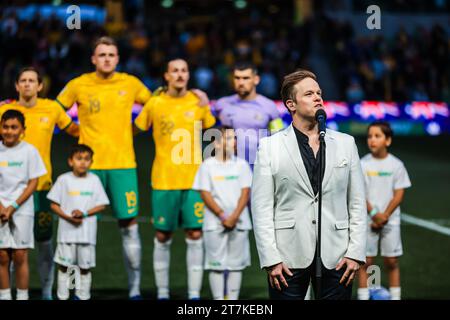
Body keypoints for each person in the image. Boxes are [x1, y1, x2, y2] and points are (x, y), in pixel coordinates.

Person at [251, 69, 367, 300]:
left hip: (338, 258)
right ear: (291, 104)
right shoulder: (269, 147)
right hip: (286, 260)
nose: (317, 98)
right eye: (309, 94)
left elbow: (357, 203)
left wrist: (355, 253)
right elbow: (261, 208)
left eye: (319, 93)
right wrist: (271, 259)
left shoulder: (346, 143)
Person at [55, 36, 151, 299]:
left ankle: (134, 290)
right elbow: (55, 108)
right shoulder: (79, 84)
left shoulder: (130, 83)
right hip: (87, 169)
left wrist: (136, 128)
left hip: (123, 165)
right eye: (102, 54)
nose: (107, 58)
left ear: (117, 58)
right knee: (78, 226)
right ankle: (77, 290)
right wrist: (73, 129)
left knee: (129, 226)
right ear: (93, 59)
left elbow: (154, 105)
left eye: (111, 54)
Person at [134, 58, 216, 300]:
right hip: (164, 180)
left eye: (183, 70)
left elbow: (212, 132)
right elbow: (135, 129)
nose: (179, 75)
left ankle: (193, 295)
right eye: (174, 71)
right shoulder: (155, 103)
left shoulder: (199, 103)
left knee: (195, 234)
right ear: (166, 76)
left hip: (194, 181)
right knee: (162, 236)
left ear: (188, 75)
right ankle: (162, 293)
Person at [0, 67, 79, 300]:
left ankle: (46, 291)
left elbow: (74, 130)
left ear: (40, 86)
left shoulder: (52, 109)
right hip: (8, 191)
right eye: (22, 81)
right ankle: (9, 293)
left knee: (44, 241)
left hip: (42, 188)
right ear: (16, 86)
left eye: (32, 81)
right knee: (8, 249)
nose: (27, 84)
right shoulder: (4, 110)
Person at [192, 126, 252, 300]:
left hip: (239, 222)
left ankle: (232, 302)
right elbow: (204, 193)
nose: (234, 142)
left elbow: (245, 193)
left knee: (235, 265)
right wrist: (222, 215)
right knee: (216, 264)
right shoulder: (207, 166)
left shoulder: (241, 164)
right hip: (214, 223)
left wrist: (234, 217)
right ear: (216, 143)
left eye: (234, 138)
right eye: (229, 138)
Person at [357, 121, 411, 301]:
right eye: (370, 136)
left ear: (387, 140)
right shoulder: (362, 164)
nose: (372, 140)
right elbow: (359, 194)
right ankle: (365, 296)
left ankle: (395, 297)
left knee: (392, 261)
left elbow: (398, 194)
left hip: (390, 220)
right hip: (368, 219)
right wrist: (374, 215)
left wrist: (385, 216)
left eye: (377, 136)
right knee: (366, 261)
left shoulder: (397, 165)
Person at [47, 144, 109, 300]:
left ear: (91, 162)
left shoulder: (94, 180)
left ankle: (82, 296)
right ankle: (63, 295)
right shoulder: (63, 180)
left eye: (87, 159)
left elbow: (101, 205)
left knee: (84, 267)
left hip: (86, 234)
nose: (83, 162)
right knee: (65, 266)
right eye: (79, 158)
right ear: (70, 161)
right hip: (66, 234)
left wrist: (84, 213)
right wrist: (68, 217)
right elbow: (54, 204)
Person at [0, 110, 47, 300]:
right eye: (5, 127)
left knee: (20, 254)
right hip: (0, 207)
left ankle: (22, 296)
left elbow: (33, 182)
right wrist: (2, 207)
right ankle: (4, 295)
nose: (9, 131)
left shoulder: (29, 151)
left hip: (22, 208)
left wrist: (13, 206)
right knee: (2, 255)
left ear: (22, 130)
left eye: (14, 127)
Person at [213, 62, 284, 168]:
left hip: (259, 168)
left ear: (256, 79)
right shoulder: (221, 105)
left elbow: (279, 137)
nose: (241, 82)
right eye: (237, 78)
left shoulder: (269, 107)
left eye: (246, 78)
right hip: (227, 168)